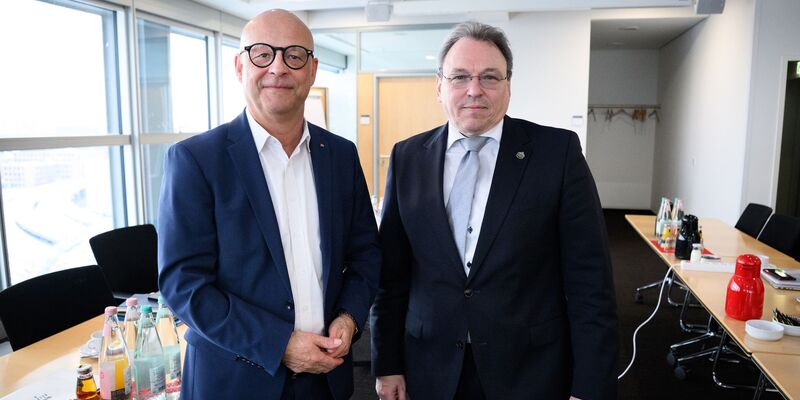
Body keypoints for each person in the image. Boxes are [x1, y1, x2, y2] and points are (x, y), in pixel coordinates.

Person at [370, 21, 618, 400]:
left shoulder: (557, 154)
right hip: (429, 365)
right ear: (439, 87)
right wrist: (387, 363)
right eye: (460, 77)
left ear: (508, 86)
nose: (474, 90)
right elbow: (392, 276)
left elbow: (590, 284)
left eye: (489, 77)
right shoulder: (407, 157)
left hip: (529, 370)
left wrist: (590, 386)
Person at [158, 9, 380, 400]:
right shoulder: (196, 160)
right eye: (262, 54)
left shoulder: (340, 156)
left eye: (294, 55)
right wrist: (280, 344)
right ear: (240, 66)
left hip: (325, 382)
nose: (278, 67)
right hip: (234, 381)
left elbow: (366, 254)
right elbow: (184, 286)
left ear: (311, 70)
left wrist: (348, 317)